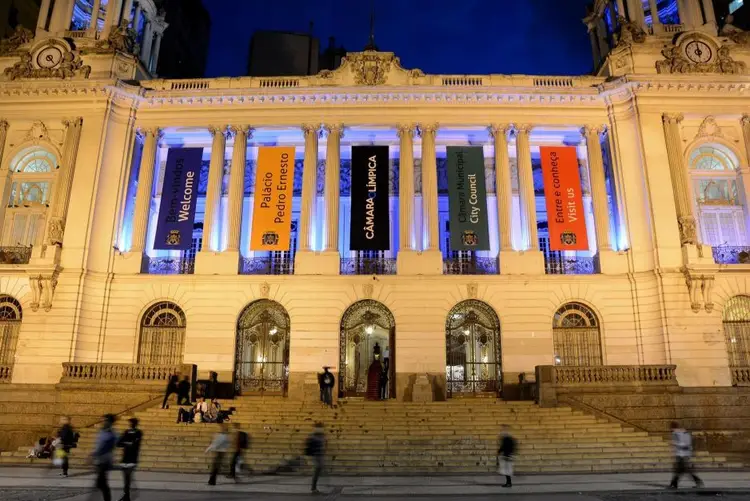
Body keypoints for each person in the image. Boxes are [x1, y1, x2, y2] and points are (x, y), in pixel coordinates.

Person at [669, 421, 703, 489]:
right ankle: (674, 484)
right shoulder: (686, 433)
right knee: (681, 470)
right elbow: (689, 444)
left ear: (672, 427)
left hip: (681, 455)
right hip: (686, 454)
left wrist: (674, 443)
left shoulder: (676, 433)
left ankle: (674, 484)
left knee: (681, 470)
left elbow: (682, 444)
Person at [91, 414, 118, 501]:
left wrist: (92, 455)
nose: (102, 422)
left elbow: (105, 448)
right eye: (102, 420)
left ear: (109, 422)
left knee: (102, 483)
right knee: (101, 483)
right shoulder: (102, 431)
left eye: (104, 420)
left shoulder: (112, 434)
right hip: (100, 460)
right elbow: (99, 445)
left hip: (105, 461)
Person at [116, 418, 143, 501]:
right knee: (126, 478)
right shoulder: (126, 432)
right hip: (125, 458)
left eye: (132, 423)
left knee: (127, 477)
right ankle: (126, 496)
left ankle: (126, 496)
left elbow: (135, 445)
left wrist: (126, 443)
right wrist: (128, 443)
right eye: (131, 423)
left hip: (132, 458)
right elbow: (118, 443)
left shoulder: (138, 433)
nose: (131, 424)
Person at [304, 422, 326, 494]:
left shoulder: (322, 436)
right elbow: (308, 445)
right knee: (317, 470)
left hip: (320, 456)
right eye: (319, 428)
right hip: (316, 456)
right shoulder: (313, 436)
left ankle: (314, 487)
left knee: (319, 470)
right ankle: (313, 488)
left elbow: (324, 445)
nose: (320, 429)